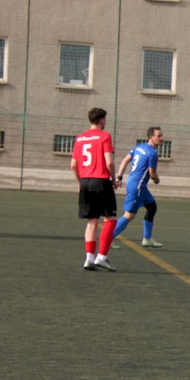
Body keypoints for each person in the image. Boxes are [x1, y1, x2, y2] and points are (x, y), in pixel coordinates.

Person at [70, 107, 120, 272]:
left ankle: (88, 258)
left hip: (85, 182)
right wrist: (114, 179)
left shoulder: (79, 139)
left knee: (92, 221)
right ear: (101, 120)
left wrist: (80, 181)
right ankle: (102, 257)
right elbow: (109, 163)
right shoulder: (104, 136)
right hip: (101, 181)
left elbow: (73, 165)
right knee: (111, 218)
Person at [113, 126, 164, 248]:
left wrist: (119, 177)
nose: (162, 138)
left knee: (152, 207)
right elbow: (152, 174)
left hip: (138, 185)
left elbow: (125, 160)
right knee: (129, 215)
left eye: (162, 135)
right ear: (151, 137)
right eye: (159, 136)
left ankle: (147, 239)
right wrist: (157, 180)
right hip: (137, 187)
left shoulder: (139, 147)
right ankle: (108, 238)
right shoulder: (152, 153)